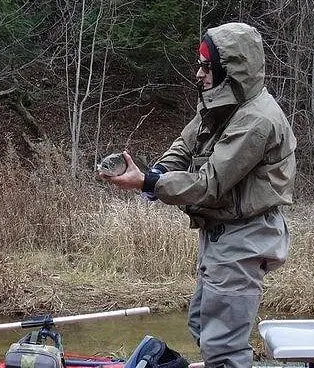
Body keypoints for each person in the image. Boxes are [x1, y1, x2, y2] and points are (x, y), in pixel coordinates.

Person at [101, 23, 296, 368]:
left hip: (245, 238)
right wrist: (158, 171)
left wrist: (148, 183)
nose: (199, 73)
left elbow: (208, 184)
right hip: (220, 236)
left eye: (207, 67)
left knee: (223, 348)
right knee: (201, 324)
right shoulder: (223, 102)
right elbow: (186, 142)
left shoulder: (256, 120)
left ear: (231, 68)